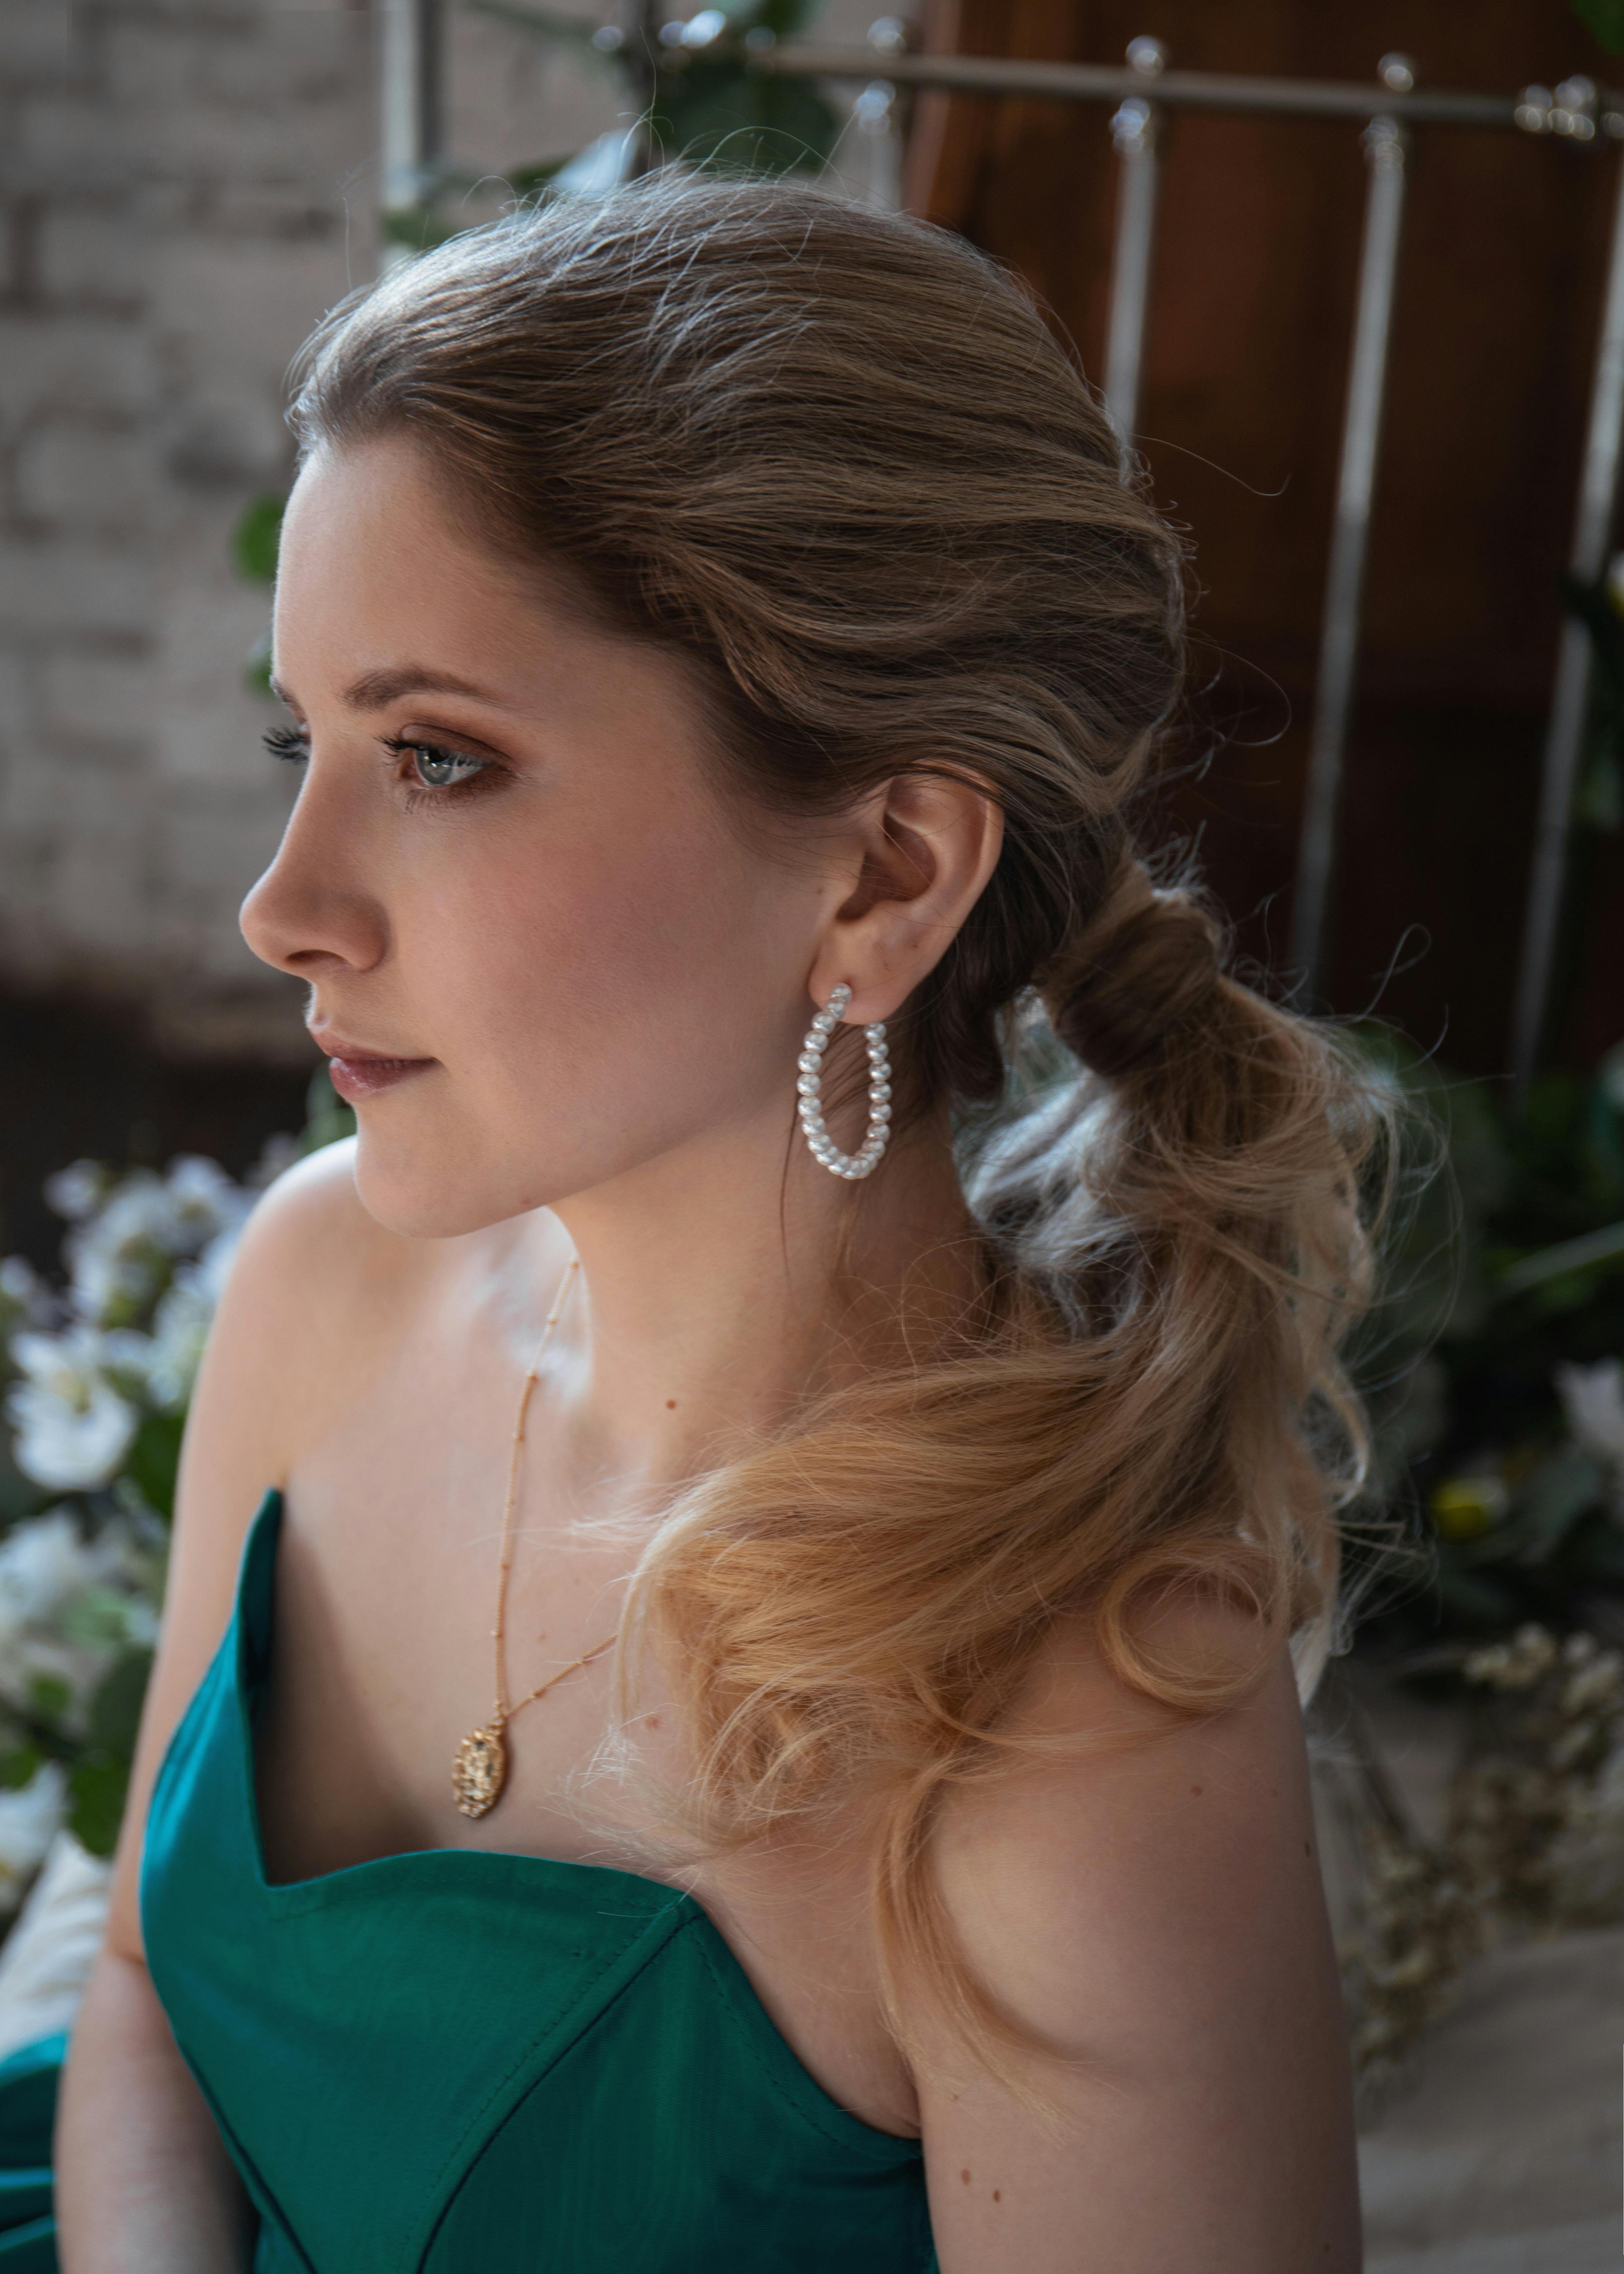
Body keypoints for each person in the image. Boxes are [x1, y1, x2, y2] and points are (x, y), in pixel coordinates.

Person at [49, 174, 1375, 2271]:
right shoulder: (326, 1276)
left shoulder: (1072, 1720)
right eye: (300, 740)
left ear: (879, 873)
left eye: (439, 759)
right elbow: (138, 1993)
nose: (281, 901)